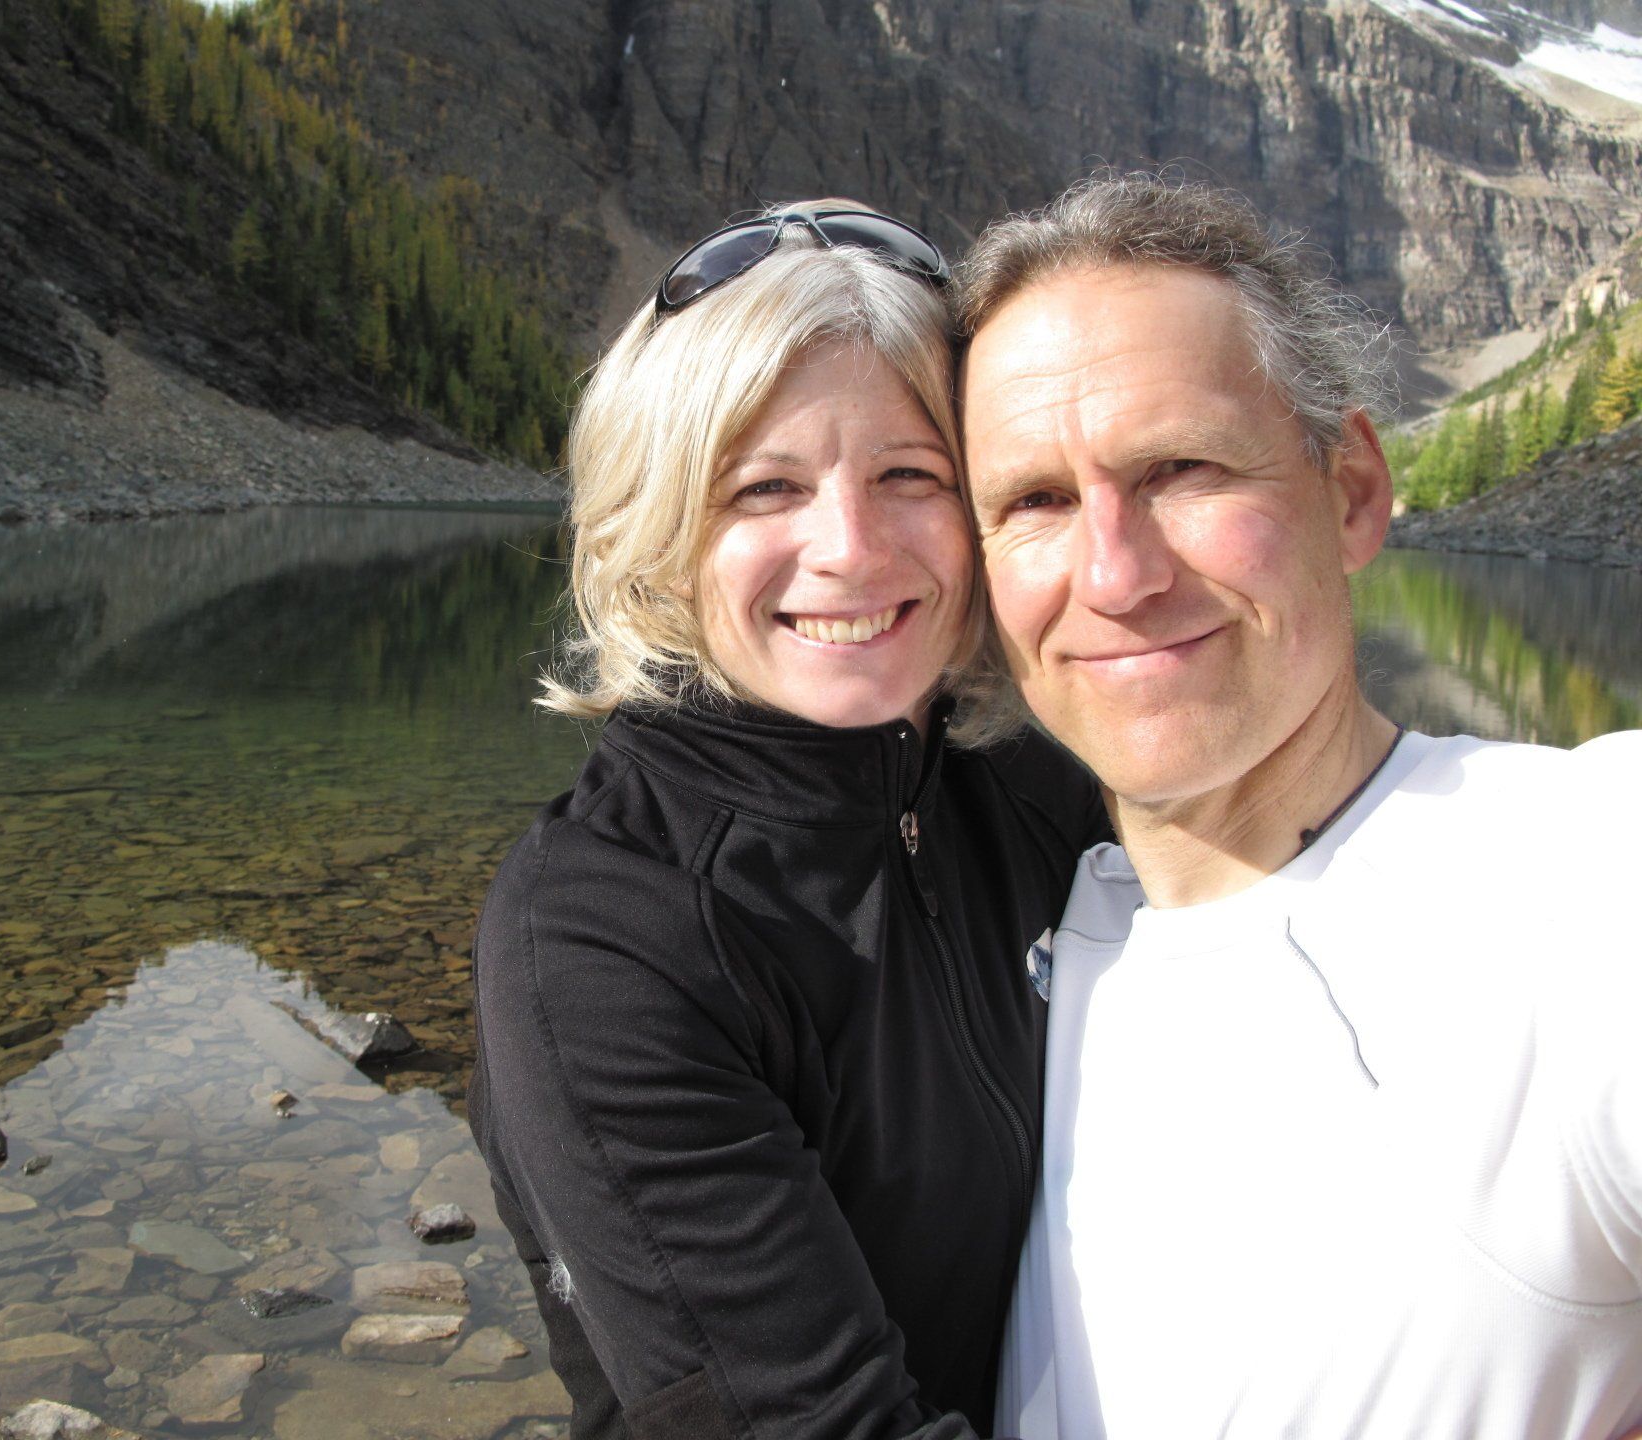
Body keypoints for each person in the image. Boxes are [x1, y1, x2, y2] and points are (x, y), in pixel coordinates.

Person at [956, 173, 1642, 1438]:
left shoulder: (1581, 874)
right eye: (1036, 502)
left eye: (1181, 468)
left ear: (1353, 494)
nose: (1114, 574)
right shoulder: (1015, 931)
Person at [468, 201, 1107, 1440]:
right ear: (661, 532)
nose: (851, 549)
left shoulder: (1038, 778)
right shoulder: (599, 941)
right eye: (765, 487)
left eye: (909, 475)